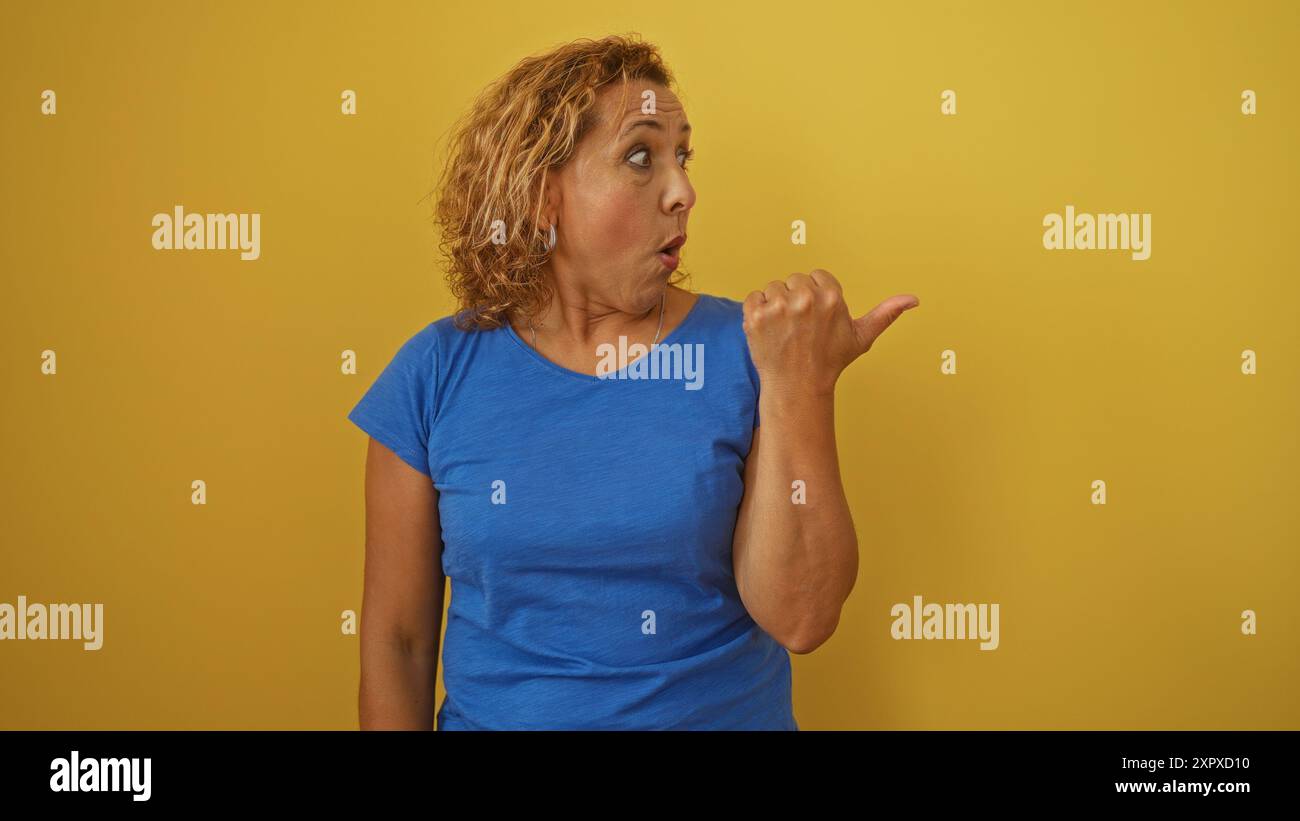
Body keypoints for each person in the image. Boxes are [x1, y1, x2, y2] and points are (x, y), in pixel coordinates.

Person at [348, 34, 919, 730]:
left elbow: (801, 615)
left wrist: (804, 386)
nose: (683, 190)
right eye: (641, 156)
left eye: (682, 156)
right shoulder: (433, 376)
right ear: (540, 195)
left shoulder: (753, 350)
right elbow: (397, 644)